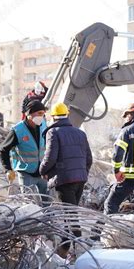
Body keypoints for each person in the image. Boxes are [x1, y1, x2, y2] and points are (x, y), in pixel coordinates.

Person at [39, 102, 93, 257]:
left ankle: (79, 251)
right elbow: (89, 158)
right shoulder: (80, 133)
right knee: (71, 212)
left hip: (64, 180)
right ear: (67, 115)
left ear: (53, 117)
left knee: (70, 216)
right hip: (80, 179)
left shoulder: (53, 132)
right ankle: (65, 247)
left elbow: (50, 157)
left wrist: (42, 170)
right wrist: (82, 173)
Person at [0, 100, 48, 202]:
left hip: (42, 172)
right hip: (26, 173)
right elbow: (4, 150)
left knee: (48, 201)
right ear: (29, 114)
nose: (42, 116)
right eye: (39, 113)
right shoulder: (18, 130)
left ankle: (48, 217)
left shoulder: (44, 125)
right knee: (28, 202)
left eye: (43, 113)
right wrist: (8, 169)